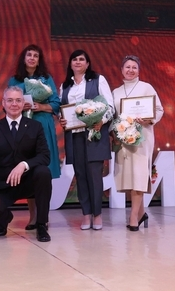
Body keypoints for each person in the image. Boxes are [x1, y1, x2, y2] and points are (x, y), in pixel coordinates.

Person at [0, 86, 52, 242]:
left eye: (18, 100)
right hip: (4, 184)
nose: (14, 104)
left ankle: (41, 224)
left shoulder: (35, 126)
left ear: (23, 103)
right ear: (3, 103)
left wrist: (24, 165)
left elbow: (45, 156)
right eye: (10, 100)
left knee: (43, 172)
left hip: (29, 182)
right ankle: (4, 219)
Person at [59, 50, 113, 230]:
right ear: (70, 63)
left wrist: (101, 121)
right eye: (74, 59)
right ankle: (86, 214)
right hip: (74, 136)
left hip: (94, 134)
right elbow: (62, 109)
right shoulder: (65, 86)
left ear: (88, 63)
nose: (78, 62)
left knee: (95, 176)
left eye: (81, 59)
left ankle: (97, 215)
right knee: (80, 175)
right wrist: (62, 119)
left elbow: (110, 106)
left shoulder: (98, 80)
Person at [8, 44, 60, 230]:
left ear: (39, 60)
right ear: (24, 58)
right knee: (29, 171)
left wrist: (41, 106)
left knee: (43, 172)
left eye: (35, 56)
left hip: (43, 124)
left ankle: (43, 217)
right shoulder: (15, 80)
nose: (32, 58)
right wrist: (20, 106)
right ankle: (32, 217)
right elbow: (8, 103)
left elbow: (56, 103)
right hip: (23, 126)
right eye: (29, 55)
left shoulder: (46, 79)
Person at [112, 55, 164, 232]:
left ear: (139, 70)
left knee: (139, 175)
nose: (130, 70)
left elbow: (159, 109)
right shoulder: (116, 92)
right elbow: (113, 116)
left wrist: (148, 120)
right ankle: (141, 213)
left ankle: (133, 217)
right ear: (121, 70)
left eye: (134, 67)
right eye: (127, 67)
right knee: (128, 177)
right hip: (123, 139)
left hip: (142, 138)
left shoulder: (146, 87)